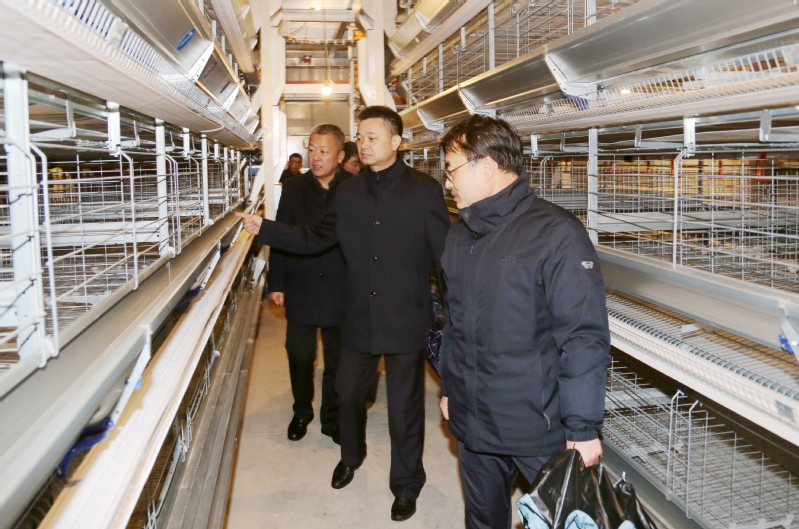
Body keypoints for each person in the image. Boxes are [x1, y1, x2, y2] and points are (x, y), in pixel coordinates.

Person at [237, 106, 449, 522]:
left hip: (406, 317)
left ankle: (406, 484)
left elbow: (443, 257)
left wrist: (452, 315)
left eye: (373, 137)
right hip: (357, 313)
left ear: (396, 142)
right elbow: (317, 236)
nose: (363, 144)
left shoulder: (424, 190)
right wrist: (266, 228)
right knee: (348, 393)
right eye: (360, 137)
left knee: (404, 409)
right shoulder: (348, 192)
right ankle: (351, 455)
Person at [436, 115, 610, 529]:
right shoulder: (460, 235)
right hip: (474, 418)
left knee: (568, 519)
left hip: (536, 424)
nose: (447, 181)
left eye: (452, 169)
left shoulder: (555, 233)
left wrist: (582, 428)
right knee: (482, 519)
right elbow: (454, 323)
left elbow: (582, 336)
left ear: (487, 166)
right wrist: (450, 388)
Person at [268, 124, 351, 445]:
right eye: (311, 150)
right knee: (300, 356)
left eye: (324, 151)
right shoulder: (293, 188)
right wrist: (276, 283)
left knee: (338, 361)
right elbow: (281, 235)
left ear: (340, 156)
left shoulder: (355, 188)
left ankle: (332, 418)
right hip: (301, 284)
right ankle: (301, 411)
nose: (315, 157)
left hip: (342, 287)